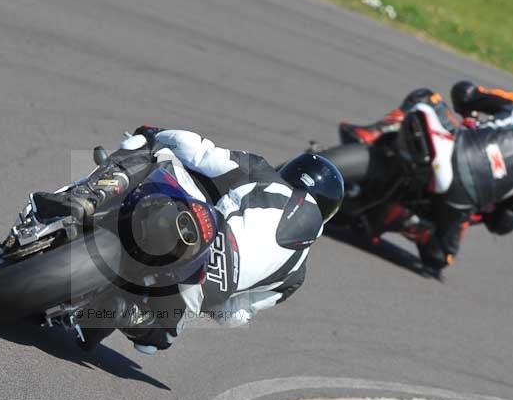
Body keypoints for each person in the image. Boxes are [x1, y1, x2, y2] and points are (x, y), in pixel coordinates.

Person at [33, 128, 343, 354]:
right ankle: (130, 314)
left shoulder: (264, 174)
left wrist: (156, 133)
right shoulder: (295, 277)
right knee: (157, 340)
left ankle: (89, 195)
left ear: (289, 170)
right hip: (203, 289)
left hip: (199, 231)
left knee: (151, 149)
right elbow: (234, 316)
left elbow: (199, 151)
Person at [342, 83, 513, 273]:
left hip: (453, 149)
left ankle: (372, 133)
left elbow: (465, 92)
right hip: (462, 200)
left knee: (426, 96)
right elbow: (505, 220)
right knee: (439, 257)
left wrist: (468, 111)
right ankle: (410, 221)